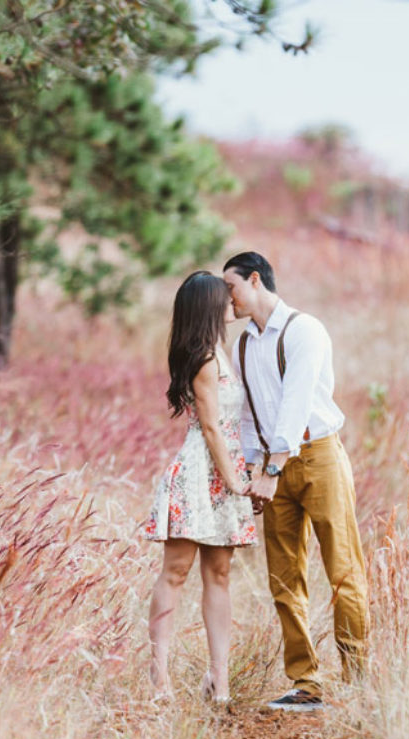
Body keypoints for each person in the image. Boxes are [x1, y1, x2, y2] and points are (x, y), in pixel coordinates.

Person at [223, 251, 370, 711]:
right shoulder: (243, 344)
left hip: (318, 457)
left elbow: (296, 401)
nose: (226, 298)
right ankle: (306, 683)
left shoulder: (304, 329)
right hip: (271, 468)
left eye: (231, 287)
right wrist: (253, 470)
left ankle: (357, 679)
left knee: (342, 569)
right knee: (284, 577)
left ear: (254, 279)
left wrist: (271, 468)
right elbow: (247, 416)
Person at [144, 271, 257, 704]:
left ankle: (218, 679)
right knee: (175, 572)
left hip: (223, 468)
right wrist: (232, 480)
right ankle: (160, 681)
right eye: (223, 296)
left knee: (220, 575)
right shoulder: (205, 358)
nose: (231, 301)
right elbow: (209, 425)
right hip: (200, 471)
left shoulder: (221, 352)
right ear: (208, 307)